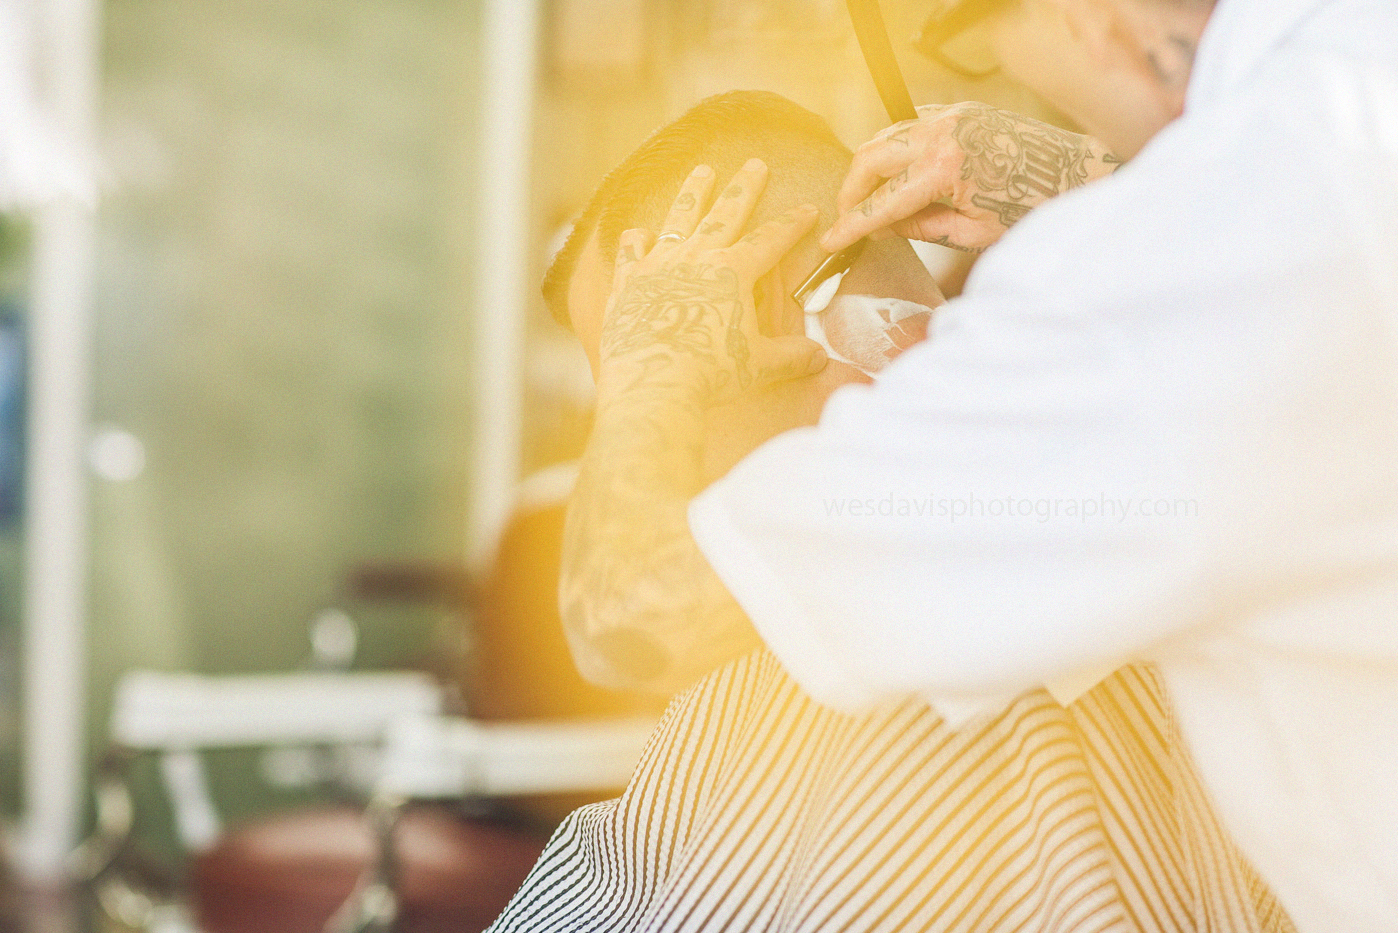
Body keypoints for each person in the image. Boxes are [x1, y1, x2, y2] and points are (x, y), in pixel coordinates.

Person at [562, 2, 1398, 931]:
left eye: (983, 42)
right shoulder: (1348, 104)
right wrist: (1090, 180)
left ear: (1089, 19)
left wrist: (652, 365)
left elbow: (628, 615)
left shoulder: (1132, 316)